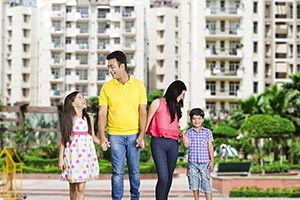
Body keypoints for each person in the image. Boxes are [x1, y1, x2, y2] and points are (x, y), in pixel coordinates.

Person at [98, 50, 147, 200]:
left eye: (112, 66)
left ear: (122, 66)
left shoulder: (138, 85)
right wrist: (102, 136)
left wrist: (141, 136)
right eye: (108, 67)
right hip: (115, 135)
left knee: (135, 171)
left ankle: (135, 198)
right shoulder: (107, 87)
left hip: (134, 135)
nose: (110, 70)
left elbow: (143, 112)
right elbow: (102, 113)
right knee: (117, 172)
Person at [145, 80, 187, 200]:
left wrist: (179, 134)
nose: (182, 97)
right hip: (158, 143)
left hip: (173, 144)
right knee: (163, 177)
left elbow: (172, 125)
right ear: (176, 92)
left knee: (169, 178)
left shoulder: (176, 107)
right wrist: (141, 138)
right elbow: (147, 123)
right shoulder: (157, 103)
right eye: (182, 94)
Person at [58, 91, 100, 200]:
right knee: (73, 187)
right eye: (80, 98)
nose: (83, 99)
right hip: (72, 156)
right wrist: (61, 159)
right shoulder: (68, 119)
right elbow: (64, 139)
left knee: (81, 187)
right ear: (73, 103)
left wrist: (102, 142)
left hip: (85, 156)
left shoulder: (89, 118)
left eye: (83, 97)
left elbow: (92, 136)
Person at [181, 108, 214, 200]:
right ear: (191, 120)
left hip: (205, 162)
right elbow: (186, 145)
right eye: (194, 118)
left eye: (199, 118)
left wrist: (212, 161)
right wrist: (184, 138)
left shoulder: (207, 132)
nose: (197, 121)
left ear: (202, 119)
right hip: (193, 163)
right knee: (194, 184)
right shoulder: (189, 132)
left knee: (206, 184)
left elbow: (210, 147)